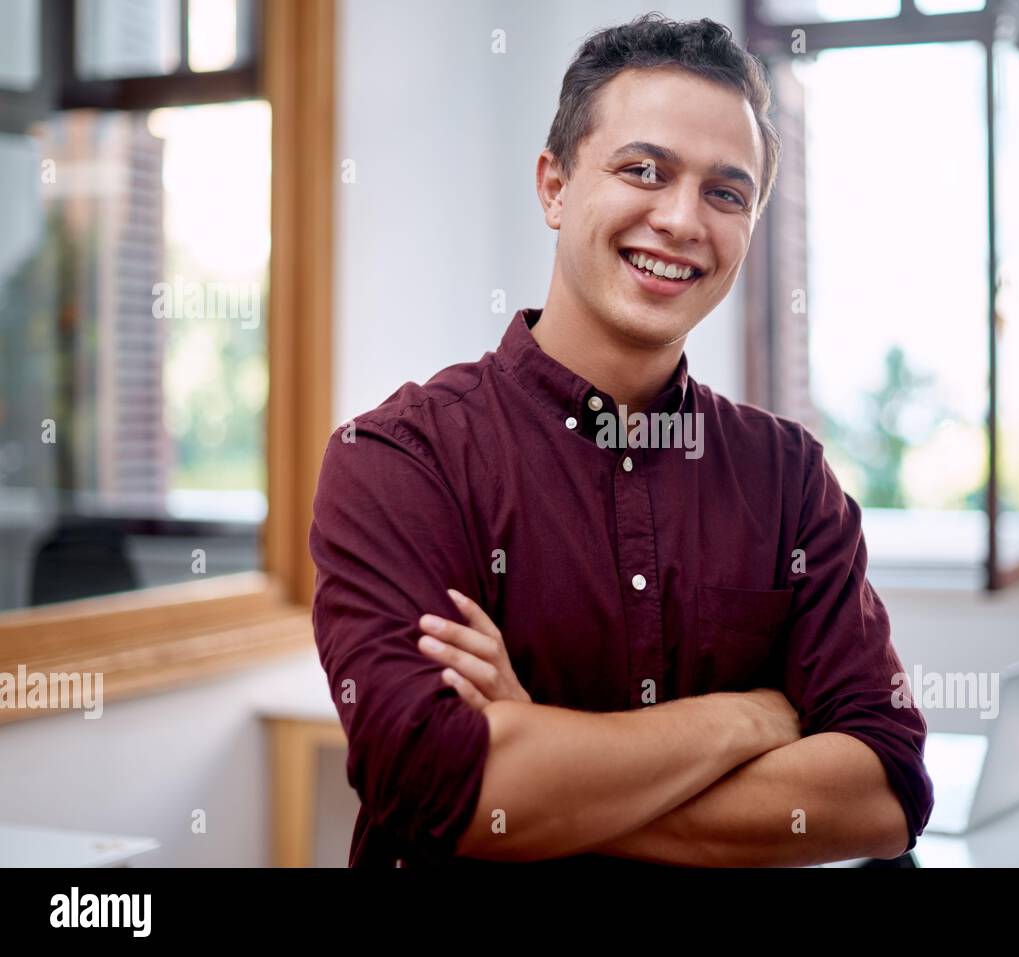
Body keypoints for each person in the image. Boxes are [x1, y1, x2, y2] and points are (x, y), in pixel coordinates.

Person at [309, 13, 932, 868]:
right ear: (555, 186)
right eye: (644, 170)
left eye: (725, 192)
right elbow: (435, 784)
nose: (681, 220)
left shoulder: (788, 478)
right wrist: (748, 716)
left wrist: (543, 760)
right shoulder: (400, 460)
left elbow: (888, 788)